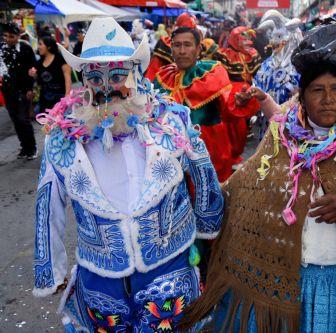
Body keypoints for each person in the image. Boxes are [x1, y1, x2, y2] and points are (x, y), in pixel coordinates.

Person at [181, 23, 336, 333]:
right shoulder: (282, 131)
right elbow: (243, 188)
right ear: (302, 94)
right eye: (317, 90)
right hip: (285, 278)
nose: (327, 99)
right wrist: (195, 194)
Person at [32, 17, 224, 332]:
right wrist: (50, 269)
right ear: (84, 78)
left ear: (134, 73)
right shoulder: (62, 138)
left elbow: (203, 169)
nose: (107, 86)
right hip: (101, 281)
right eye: (95, 75)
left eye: (117, 73)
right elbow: (46, 202)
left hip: (170, 270)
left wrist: (209, 226)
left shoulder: (170, 121)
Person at [153, 13, 257, 182]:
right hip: (170, 151)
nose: (181, 51)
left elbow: (229, 110)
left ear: (198, 48)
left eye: (187, 45)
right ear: (171, 48)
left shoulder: (212, 72)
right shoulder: (163, 76)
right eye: (177, 45)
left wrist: (240, 100)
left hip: (209, 149)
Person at [213, 26, 262, 166]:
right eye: (243, 38)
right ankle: (230, 155)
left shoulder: (251, 53)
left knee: (242, 128)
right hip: (229, 96)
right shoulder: (224, 54)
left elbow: (256, 74)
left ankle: (236, 152)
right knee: (233, 127)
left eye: (248, 38)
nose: (247, 41)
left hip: (249, 94)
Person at [253, 10, 302, 139]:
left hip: (292, 122)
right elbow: (257, 84)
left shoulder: (301, 66)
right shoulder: (267, 64)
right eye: (273, 36)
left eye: (279, 36)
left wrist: (300, 93)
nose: (273, 40)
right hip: (268, 121)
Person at [0, 22, 37, 159]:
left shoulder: (25, 48)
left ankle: (32, 148)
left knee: (23, 119)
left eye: (11, 36)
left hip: (24, 90)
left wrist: (30, 88)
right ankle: (24, 147)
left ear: (18, 36)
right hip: (8, 90)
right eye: (5, 36)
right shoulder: (2, 48)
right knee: (15, 120)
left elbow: (33, 69)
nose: (8, 39)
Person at [29, 36, 71, 114]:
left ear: (48, 46)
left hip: (60, 97)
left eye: (40, 44)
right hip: (45, 98)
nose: (38, 47)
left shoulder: (60, 59)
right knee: (47, 123)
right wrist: (33, 74)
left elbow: (67, 78)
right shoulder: (39, 63)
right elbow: (39, 80)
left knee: (60, 122)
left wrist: (67, 96)